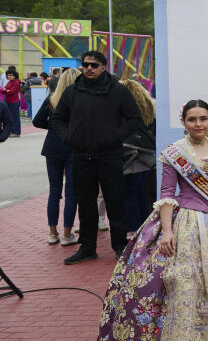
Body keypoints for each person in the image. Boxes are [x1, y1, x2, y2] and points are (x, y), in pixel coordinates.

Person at [96, 100, 208, 341]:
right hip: (188, 223)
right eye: (192, 119)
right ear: (185, 122)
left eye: (203, 118)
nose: (198, 124)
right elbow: (167, 193)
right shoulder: (174, 153)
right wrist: (167, 231)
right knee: (187, 283)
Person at [51, 51, 142, 265]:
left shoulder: (118, 91)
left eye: (94, 65)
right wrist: (69, 138)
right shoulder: (72, 91)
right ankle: (87, 247)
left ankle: (119, 246)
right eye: (85, 64)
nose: (89, 68)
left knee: (115, 201)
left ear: (103, 67)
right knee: (85, 202)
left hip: (110, 155)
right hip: (81, 154)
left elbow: (134, 118)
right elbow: (58, 119)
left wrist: (115, 138)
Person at [32, 68, 80, 246]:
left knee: (54, 192)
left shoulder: (51, 99)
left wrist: (53, 128)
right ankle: (67, 234)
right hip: (73, 149)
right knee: (71, 193)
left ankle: (52, 233)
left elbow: (37, 121)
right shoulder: (80, 101)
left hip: (52, 148)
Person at [120, 79, 159, 247]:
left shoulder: (124, 108)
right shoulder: (148, 106)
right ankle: (145, 228)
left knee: (129, 194)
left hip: (131, 156)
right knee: (141, 193)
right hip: (147, 155)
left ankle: (132, 230)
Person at [3, 68, 22, 137]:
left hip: (14, 102)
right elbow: (3, 90)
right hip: (8, 102)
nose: (9, 76)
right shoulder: (9, 82)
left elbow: (12, 91)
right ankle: (12, 131)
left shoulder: (16, 82)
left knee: (15, 117)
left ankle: (17, 133)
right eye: (8, 75)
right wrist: (6, 90)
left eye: (10, 75)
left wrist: (6, 90)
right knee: (10, 118)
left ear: (14, 76)